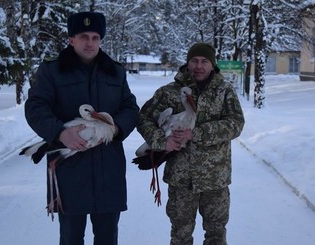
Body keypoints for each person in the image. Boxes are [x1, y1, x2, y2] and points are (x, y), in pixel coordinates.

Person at [24, 11, 139, 245]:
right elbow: (35, 107)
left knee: (107, 238)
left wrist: (115, 129)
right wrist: (60, 132)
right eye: (84, 36)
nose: (90, 42)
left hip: (109, 170)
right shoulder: (52, 71)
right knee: (71, 238)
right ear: (71, 39)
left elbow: (130, 107)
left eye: (95, 37)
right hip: (69, 171)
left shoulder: (115, 71)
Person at [136, 42, 245, 245]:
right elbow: (143, 119)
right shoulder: (169, 92)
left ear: (213, 65)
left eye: (205, 61)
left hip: (216, 180)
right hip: (180, 180)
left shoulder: (224, 91)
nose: (199, 66)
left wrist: (197, 133)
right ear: (187, 63)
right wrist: (162, 141)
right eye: (194, 60)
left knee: (216, 235)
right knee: (180, 236)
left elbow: (236, 124)